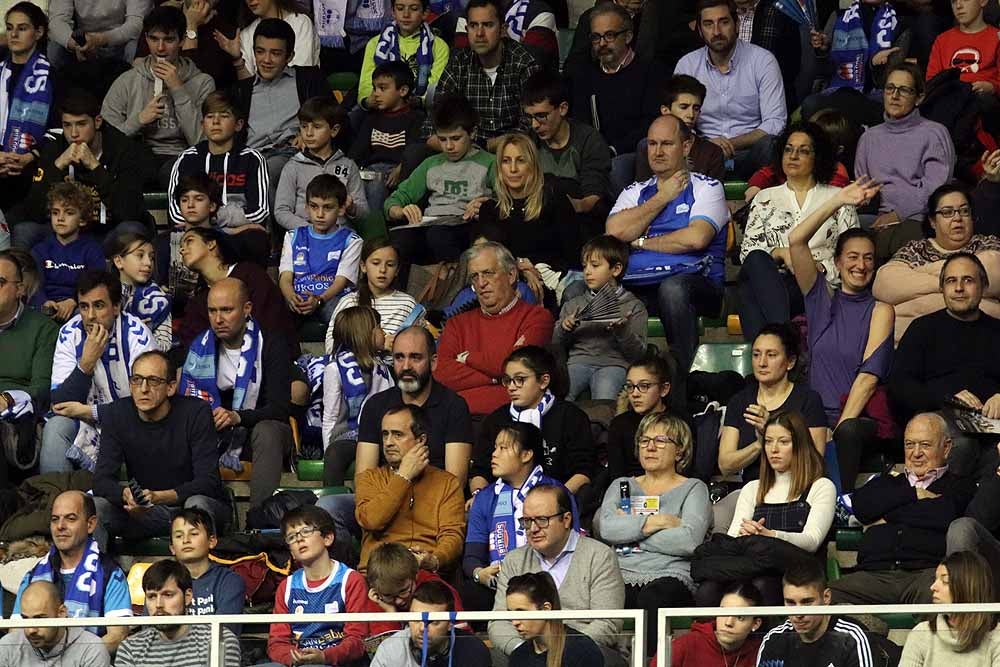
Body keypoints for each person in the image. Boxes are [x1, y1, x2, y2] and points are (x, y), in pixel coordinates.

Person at [787, 177, 894, 492]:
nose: (860, 265)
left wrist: (836, 429)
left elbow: (868, 379)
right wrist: (838, 201)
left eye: (868, 258)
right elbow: (796, 240)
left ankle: (840, 504)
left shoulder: (881, 310)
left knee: (847, 433)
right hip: (815, 414)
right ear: (837, 262)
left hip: (857, 420)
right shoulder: (821, 300)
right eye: (852, 257)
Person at [606, 114, 729, 381]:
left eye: (666, 144)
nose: (658, 151)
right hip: (642, 282)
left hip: (698, 286)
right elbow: (614, 233)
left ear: (685, 147)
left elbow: (696, 238)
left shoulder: (708, 188)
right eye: (652, 144)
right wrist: (662, 197)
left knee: (672, 289)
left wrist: (641, 241)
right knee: (582, 289)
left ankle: (683, 381)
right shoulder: (635, 191)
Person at [317, 325, 471, 533]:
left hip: (433, 503)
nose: (406, 366)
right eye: (399, 358)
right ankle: (348, 564)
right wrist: (393, 494)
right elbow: (364, 478)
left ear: (433, 362)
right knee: (328, 508)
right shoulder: (376, 406)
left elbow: (455, 480)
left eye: (415, 358)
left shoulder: (454, 406)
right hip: (384, 499)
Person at [829, 412, 976, 605]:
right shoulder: (885, 482)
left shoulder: (960, 486)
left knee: (944, 596)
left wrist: (886, 515)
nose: (916, 453)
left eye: (925, 445)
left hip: (925, 577)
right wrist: (913, 495)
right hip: (873, 576)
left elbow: (944, 515)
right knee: (825, 597)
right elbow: (862, 508)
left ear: (946, 448)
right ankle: (871, 627)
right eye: (909, 444)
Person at [91, 350, 231, 550]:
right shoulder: (116, 414)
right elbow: (101, 481)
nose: (144, 388)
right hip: (143, 513)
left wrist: (159, 496)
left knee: (197, 504)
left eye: (154, 381)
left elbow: (208, 482)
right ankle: (96, 577)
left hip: (189, 509)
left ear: (171, 387)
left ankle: (200, 578)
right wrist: (126, 495)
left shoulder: (196, 412)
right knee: (96, 507)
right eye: (137, 380)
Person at [598, 411, 711, 656]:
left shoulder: (694, 488)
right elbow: (606, 528)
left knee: (653, 597)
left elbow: (689, 541)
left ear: (679, 451)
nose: (650, 447)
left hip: (669, 573)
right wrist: (657, 522)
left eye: (660, 441)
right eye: (644, 440)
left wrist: (630, 531)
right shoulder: (622, 486)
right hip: (620, 571)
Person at [737, 122, 860, 342]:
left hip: (816, 285)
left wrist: (819, 266)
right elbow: (748, 254)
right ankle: (783, 337)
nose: (793, 156)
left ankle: (767, 350)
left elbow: (853, 254)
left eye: (803, 151)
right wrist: (781, 253)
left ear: (817, 158)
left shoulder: (839, 198)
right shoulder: (765, 197)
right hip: (775, 277)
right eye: (788, 149)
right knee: (755, 263)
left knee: (750, 295)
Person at [178, 277, 292, 507]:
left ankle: (259, 518)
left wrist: (237, 417)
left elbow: (279, 409)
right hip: (214, 435)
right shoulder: (199, 347)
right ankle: (203, 510)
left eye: (227, 310)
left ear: (247, 309)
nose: (218, 319)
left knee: (267, 430)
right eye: (212, 311)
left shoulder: (271, 344)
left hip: (261, 434)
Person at [705, 411, 835, 606]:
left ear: (800, 445)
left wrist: (771, 536)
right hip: (752, 567)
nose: (774, 449)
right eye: (768, 441)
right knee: (709, 590)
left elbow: (813, 540)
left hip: (798, 574)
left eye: (783, 442)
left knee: (762, 585)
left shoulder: (821, 486)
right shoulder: (752, 488)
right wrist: (745, 534)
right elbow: (732, 538)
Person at [887, 253, 1000, 477]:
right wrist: (947, 396)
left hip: (991, 424)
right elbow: (899, 387)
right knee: (963, 444)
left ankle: (976, 511)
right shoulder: (922, 329)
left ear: (983, 286)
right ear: (942, 288)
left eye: (968, 280)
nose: (959, 288)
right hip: (942, 419)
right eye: (951, 281)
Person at [490, 484, 626, 661]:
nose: (533, 529)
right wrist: (525, 654)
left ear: (566, 519)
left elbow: (608, 623)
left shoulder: (599, 556)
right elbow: (499, 622)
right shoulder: (514, 560)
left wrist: (561, 652)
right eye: (527, 521)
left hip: (585, 654)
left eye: (542, 519)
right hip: (530, 654)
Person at [8, 89, 156, 250]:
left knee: (131, 230)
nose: (73, 133)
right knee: (25, 231)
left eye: (81, 124)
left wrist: (95, 167)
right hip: (65, 233)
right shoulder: (55, 149)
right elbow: (33, 212)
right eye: (67, 125)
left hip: (108, 232)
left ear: (97, 121)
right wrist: (57, 167)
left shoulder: (124, 149)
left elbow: (130, 212)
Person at [41, 270, 155, 474]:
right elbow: (59, 404)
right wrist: (86, 363)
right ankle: (54, 499)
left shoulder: (137, 336)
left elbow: (148, 405)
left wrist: (88, 411)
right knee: (56, 427)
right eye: (84, 307)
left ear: (116, 306)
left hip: (135, 426)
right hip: (89, 426)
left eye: (99, 305)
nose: (90, 316)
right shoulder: (70, 334)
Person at [463, 422, 579, 610]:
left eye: (503, 448)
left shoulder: (557, 492)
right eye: (495, 448)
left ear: (526, 454)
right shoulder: (485, 497)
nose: (494, 454)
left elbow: (574, 547)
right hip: (500, 587)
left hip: (551, 583)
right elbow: (471, 556)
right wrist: (480, 574)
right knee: (468, 594)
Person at [215, 18, 328, 209]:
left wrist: (307, 133)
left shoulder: (308, 78)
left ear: (290, 56)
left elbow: (331, 115)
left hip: (291, 154)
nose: (266, 60)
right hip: (251, 157)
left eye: (275, 53)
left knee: (263, 173)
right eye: (260, 52)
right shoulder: (241, 90)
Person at [434, 241, 554, 415]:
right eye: (475, 276)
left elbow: (519, 370)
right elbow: (441, 374)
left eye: (488, 273)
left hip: (511, 421)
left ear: (511, 274)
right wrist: (497, 376)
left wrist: (469, 358)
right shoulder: (457, 323)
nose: (481, 283)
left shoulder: (537, 318)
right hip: (458, 420)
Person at [100, 6, 215, 187]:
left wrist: (178, 89)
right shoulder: (128, 80)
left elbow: (204, 141)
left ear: (182, 40)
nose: (160, 48)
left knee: (172, 173)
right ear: (146, 39)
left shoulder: (202, 82)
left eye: (168, 40)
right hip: (139, 155)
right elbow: (105, 140)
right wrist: (138, 120)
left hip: (182, 156)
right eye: (154, 39)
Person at [874, 182, 1000, 342]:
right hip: (919, 343)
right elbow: (884, 284)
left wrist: (919, 292)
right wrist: (963, 284)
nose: (957, 218)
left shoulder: (986, 243)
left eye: (964, 211)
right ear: (933, 221)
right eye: (947, 212)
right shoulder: (916, 249)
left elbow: (994, 272)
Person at [673, 0, 786, 178]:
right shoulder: (687, 65)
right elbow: (676, 121)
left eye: (724, 22)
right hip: (700, 154)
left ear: (737, 25)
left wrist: (731, 143)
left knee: (770, 145)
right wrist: (707, 146)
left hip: (749, 152)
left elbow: (775, 122)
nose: (716, 32)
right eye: (708, 24)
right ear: (700, 31)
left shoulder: (763, 60)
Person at [11, 490, 132, 652]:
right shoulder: (33, 576)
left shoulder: (111, 574)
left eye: (70, 518)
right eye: (55, 519)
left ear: (91, 525)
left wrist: (72, 658)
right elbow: (15, 633)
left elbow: (117, 637)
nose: (60, 526)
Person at [469, 346, 596, 497]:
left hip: (558, 503)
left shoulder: (571, 416)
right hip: (501, 502)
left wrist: (554, 500)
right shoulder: (496, 419)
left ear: (543, 381)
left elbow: (584, 471)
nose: (511, 387)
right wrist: (480, 497)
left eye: (520, 379)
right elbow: (480, 471)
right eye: (508, 380)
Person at [355, 404, 466, 572]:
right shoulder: (370, 478)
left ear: (421, 440)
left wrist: (435, 559)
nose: (388, 442)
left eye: (398, 435)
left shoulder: (446, 482)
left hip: (423, 573)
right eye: (385, 434)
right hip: (376, 574)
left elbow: (452, 535)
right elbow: (371, 521)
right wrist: (403, 476)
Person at [387, 94, 496, 265]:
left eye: (456, 138)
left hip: (466, 224)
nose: (449, 146)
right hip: (430, 223)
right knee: (399, 242)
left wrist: (488, 206)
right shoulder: (431, 164)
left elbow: (506, 202)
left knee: (439, 235)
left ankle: (454, 284)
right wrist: (400, 211)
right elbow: (394, 200)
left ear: (472, 133)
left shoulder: (489, 162)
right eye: (442, 139)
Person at [567, 1, 661, 193]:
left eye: (609, 36)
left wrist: (613, 150)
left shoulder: (651, 73)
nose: (602, 43)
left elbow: (650, 124)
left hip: (635, 154)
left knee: (615, 170)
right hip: (594, 154)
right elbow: (580, 122)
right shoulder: (584, 76)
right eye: (596, 37)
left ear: (628, 36)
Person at [717, 323, 828, 483]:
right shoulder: (739, 401)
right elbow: (725, 465)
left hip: (795, 489)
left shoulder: (808, 400)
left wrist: (770, 429)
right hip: (751, 490)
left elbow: (814, 464)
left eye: (771, 355)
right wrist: (760, 443)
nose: (762, 363)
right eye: (756, 354)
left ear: (790, 362)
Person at [472, 132, 581, 294]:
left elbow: (573, 254)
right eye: (506, 161)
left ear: (532, 165)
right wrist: (521, 270)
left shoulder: (553, 200)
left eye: (520, 161)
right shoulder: (490, 209)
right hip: (508, 282)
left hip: (555, 279)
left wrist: (536, 269)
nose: (513, 169)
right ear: (499, 167)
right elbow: (486, 260)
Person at [263, 505, 371, 667]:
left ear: (327, 538)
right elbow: (277, 642)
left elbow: (357, 640)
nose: (299, 539)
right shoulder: (286, 587)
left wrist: (324, 656)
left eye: (306, 531)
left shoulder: (351, 580)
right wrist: (292, 658)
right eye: (291, 537)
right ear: (291, 551)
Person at [854, 62, 954, 235]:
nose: (895, 95)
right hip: (877, 217)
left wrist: (898, 215)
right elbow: (863, 187)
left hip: (920, 217)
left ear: (919, 97)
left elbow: (936, 190)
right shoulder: (869, 138)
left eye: (904, 90)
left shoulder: (934, 133)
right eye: (890, 88)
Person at [429, 0, 540, 147]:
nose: (479, 33)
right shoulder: (459, 63)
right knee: (414, 154)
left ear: (502, 29)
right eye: (474, 26)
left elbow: (531, 128)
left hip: (510, 154)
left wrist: (486, 146)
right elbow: (433, 125)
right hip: (462, 151)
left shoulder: (524, 64)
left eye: (488, 25)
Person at [178, 226, 299, 358]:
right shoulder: (198, 300)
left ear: (211, 244)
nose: (182, 250)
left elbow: (271, 324)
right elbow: (192, 343)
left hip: (270, 360)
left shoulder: (251, 275)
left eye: (189, 241)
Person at [553, 234, 647, 400]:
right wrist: (564, 328)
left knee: (605, 399)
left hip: (614, 364)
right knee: (560, 398)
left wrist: (623, 332)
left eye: (595, 265)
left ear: (616, 269)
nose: (587, 271)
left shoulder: (633, 306)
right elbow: (556, 345)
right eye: (584, 266)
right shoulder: (574, 304)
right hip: (577, 362)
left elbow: (638, 356)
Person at [166, 90, 271, 234]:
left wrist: (210, 221)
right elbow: (176, 213)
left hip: (238, 236)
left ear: (238, 125)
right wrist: (219, 227)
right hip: (196, 234)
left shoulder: (252, 159)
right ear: (203, 124)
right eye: (210, 117)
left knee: (255, 236)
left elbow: (259, 213)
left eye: (224, 116)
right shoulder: (188, 158)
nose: (215, 122)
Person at [520, 70, 611, 229]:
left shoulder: (589, 140)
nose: (534, 125)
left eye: (541, 116)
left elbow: (593, 198)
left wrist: (564, 205)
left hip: (579, 220)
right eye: (529, 117)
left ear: (562, 108)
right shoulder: (528, 142)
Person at [115, 559, 241, 667]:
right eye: (152, 596)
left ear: (188, 596)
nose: (158, 604)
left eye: (168, 595)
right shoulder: (131, 648)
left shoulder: (220, 641)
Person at [0, 249, 58, 479]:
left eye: (0, 282)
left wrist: (7, 398)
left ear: (20, 289)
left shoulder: (44, 329)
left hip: (15, 420)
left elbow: (42, 388)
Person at [756, 558, 876, 667]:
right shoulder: (774, 639)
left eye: (807, 602)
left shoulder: (850, 638)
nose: (798, 614)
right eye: (790, 603)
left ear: (826, 597)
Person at [277, 174, 363, 325]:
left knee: (345, 317)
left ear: (342, 209)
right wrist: (291, 297)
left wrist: (318, 300)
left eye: (328, 207)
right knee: (276, 311)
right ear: (306, 207)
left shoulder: (352, 240)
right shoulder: (293, 236)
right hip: (299, 295)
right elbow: (285, 277)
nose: (320, 214)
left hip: (332, 297)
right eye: (314, 206)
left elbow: (341, 281)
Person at [322, 306, 394, 485]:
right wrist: (327, 449)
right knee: (335, 454)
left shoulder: (382, 367)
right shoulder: (335, 368)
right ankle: (330, 503)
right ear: (364, 334)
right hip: (347, 437)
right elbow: (330, 415)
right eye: (379, 327)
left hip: (379, 435)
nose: (383, 332)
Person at [274, 97, 368, 232]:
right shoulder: (293, 166)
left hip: (339, 234)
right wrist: (309, 230)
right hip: (304, 233)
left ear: (334, 130)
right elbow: (281, 211)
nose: (308, 133)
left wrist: (352, 207)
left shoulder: (348, 165)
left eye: (317, 127)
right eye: (304, 126)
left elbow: (364, 213)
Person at [349, 62, 427, 216]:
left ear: (403, 90)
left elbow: (415, 151)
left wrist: (401, 167)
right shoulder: (371, 117)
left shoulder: (416, 118)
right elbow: (357, 151)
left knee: (377, 184)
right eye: (374, 88)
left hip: (399, 174)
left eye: (382, 88)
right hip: (369, 172)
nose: (375, 94)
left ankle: (375, 231)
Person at [899, 550, 1000, 665]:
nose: (933, 587)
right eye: (935, 579)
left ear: (968, 587)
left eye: (945, 581)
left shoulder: (997, 636)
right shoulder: (921, 633)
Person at [326, 237, 422, 356]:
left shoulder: (407, 304)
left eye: (390, 265)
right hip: (356, 371)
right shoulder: (349, 302)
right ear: (363, 266)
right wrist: (376, 345)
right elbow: (332, 347)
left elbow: (421, 346)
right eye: (376, 263)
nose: (382, 270)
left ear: (397, 270)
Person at [0, 2, 53, 211]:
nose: (14, 34)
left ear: (38, 32)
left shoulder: (52, 77)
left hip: (32, 167)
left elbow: (58, 130)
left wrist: (29, 157)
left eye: (22, 28)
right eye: (10, 27)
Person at [370, 579, 491, 667]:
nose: (422, 628)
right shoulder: (390, 650)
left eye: (433, 622)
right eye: (416, 618)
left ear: (450, 623)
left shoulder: (474, 651)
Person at [30, 182, 106, 322]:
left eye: (69, 213)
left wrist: (74, 301)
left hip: (80, 307)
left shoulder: (92, 250)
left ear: (82, 220)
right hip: (45, 308)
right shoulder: (39, 250)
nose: (60, 218)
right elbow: (35, 286)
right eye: (55, 212)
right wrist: (45, 303)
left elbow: (97, 284)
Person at [636, 74, 726, 183]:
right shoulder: (648, 147)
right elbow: (642, 192)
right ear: (665, 111)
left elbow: (713, 195)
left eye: (696, 108)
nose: (691, 114)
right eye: (684, 107)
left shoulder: (712, 153)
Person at [506, 571, 605, 667]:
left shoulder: (583, 650)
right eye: (511, 614)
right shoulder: (518, 657)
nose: (515, 622)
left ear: (546, 609)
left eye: (521, 613)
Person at [0, 581, 110, 666]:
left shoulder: (91, 649)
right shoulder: (8, 646)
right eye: (25, 619)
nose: (30, 630)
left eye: (39, 619)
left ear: (62, 613)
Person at [358, 0, 450, 102]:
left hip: (420, 110)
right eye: (400, 8)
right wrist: (369, 101)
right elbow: (365, 85)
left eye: (414, 9)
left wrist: (413, 102)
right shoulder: (375, 44)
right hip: (380, 106)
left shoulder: (439, 47)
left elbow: (435, 88)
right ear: (393, 11)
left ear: (425, 13)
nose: (406, 15)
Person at [169, 507, 245, 629]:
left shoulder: (229, 581)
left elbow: (226, 632)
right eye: (178, 536)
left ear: (212, 541)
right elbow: (150, 631)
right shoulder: (162, 581)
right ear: (172, 548)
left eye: (193, 534)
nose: (186, 540)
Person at [658, 581, 763, 667]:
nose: (728, 623)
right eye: (723, 613)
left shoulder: (762, 651)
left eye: (740, 617)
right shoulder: (685, 645)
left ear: (755, 624)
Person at [607, 355, 678, 480]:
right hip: (629, 494)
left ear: (664, 389)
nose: (635, 394)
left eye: (644, 386)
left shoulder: (679, 422)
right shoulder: (619, 424)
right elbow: (616, 477)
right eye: (630, 386)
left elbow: (687, 469)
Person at [108, 231, 172, 352]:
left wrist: (142, 333)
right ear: (118, 261)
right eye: (140, 255)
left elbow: (164, 345)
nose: (148, 263)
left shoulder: (160, 299)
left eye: (151, 257)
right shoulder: (104, 294)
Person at [46, 0, 148, 70]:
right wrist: (74, 43)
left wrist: (100, 39)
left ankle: (130, 92)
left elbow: (136, 24)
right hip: (82, 43)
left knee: (135, 45)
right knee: (54, 48)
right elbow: (57, 20)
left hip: (119, 41)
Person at [926, 0, 1000, 95]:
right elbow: (932, 81)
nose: (958, 6)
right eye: (953, 1)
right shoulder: (942, 40)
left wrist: (992, 87)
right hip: (950, 98)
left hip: (984, 100)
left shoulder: (997, 37)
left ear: (982, 1)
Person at [234, 0, 319, 77]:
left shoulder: (300, 23)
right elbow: (248, 87)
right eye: (260, 51)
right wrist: (238, 60)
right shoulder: (246, 34)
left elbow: (301, 75)